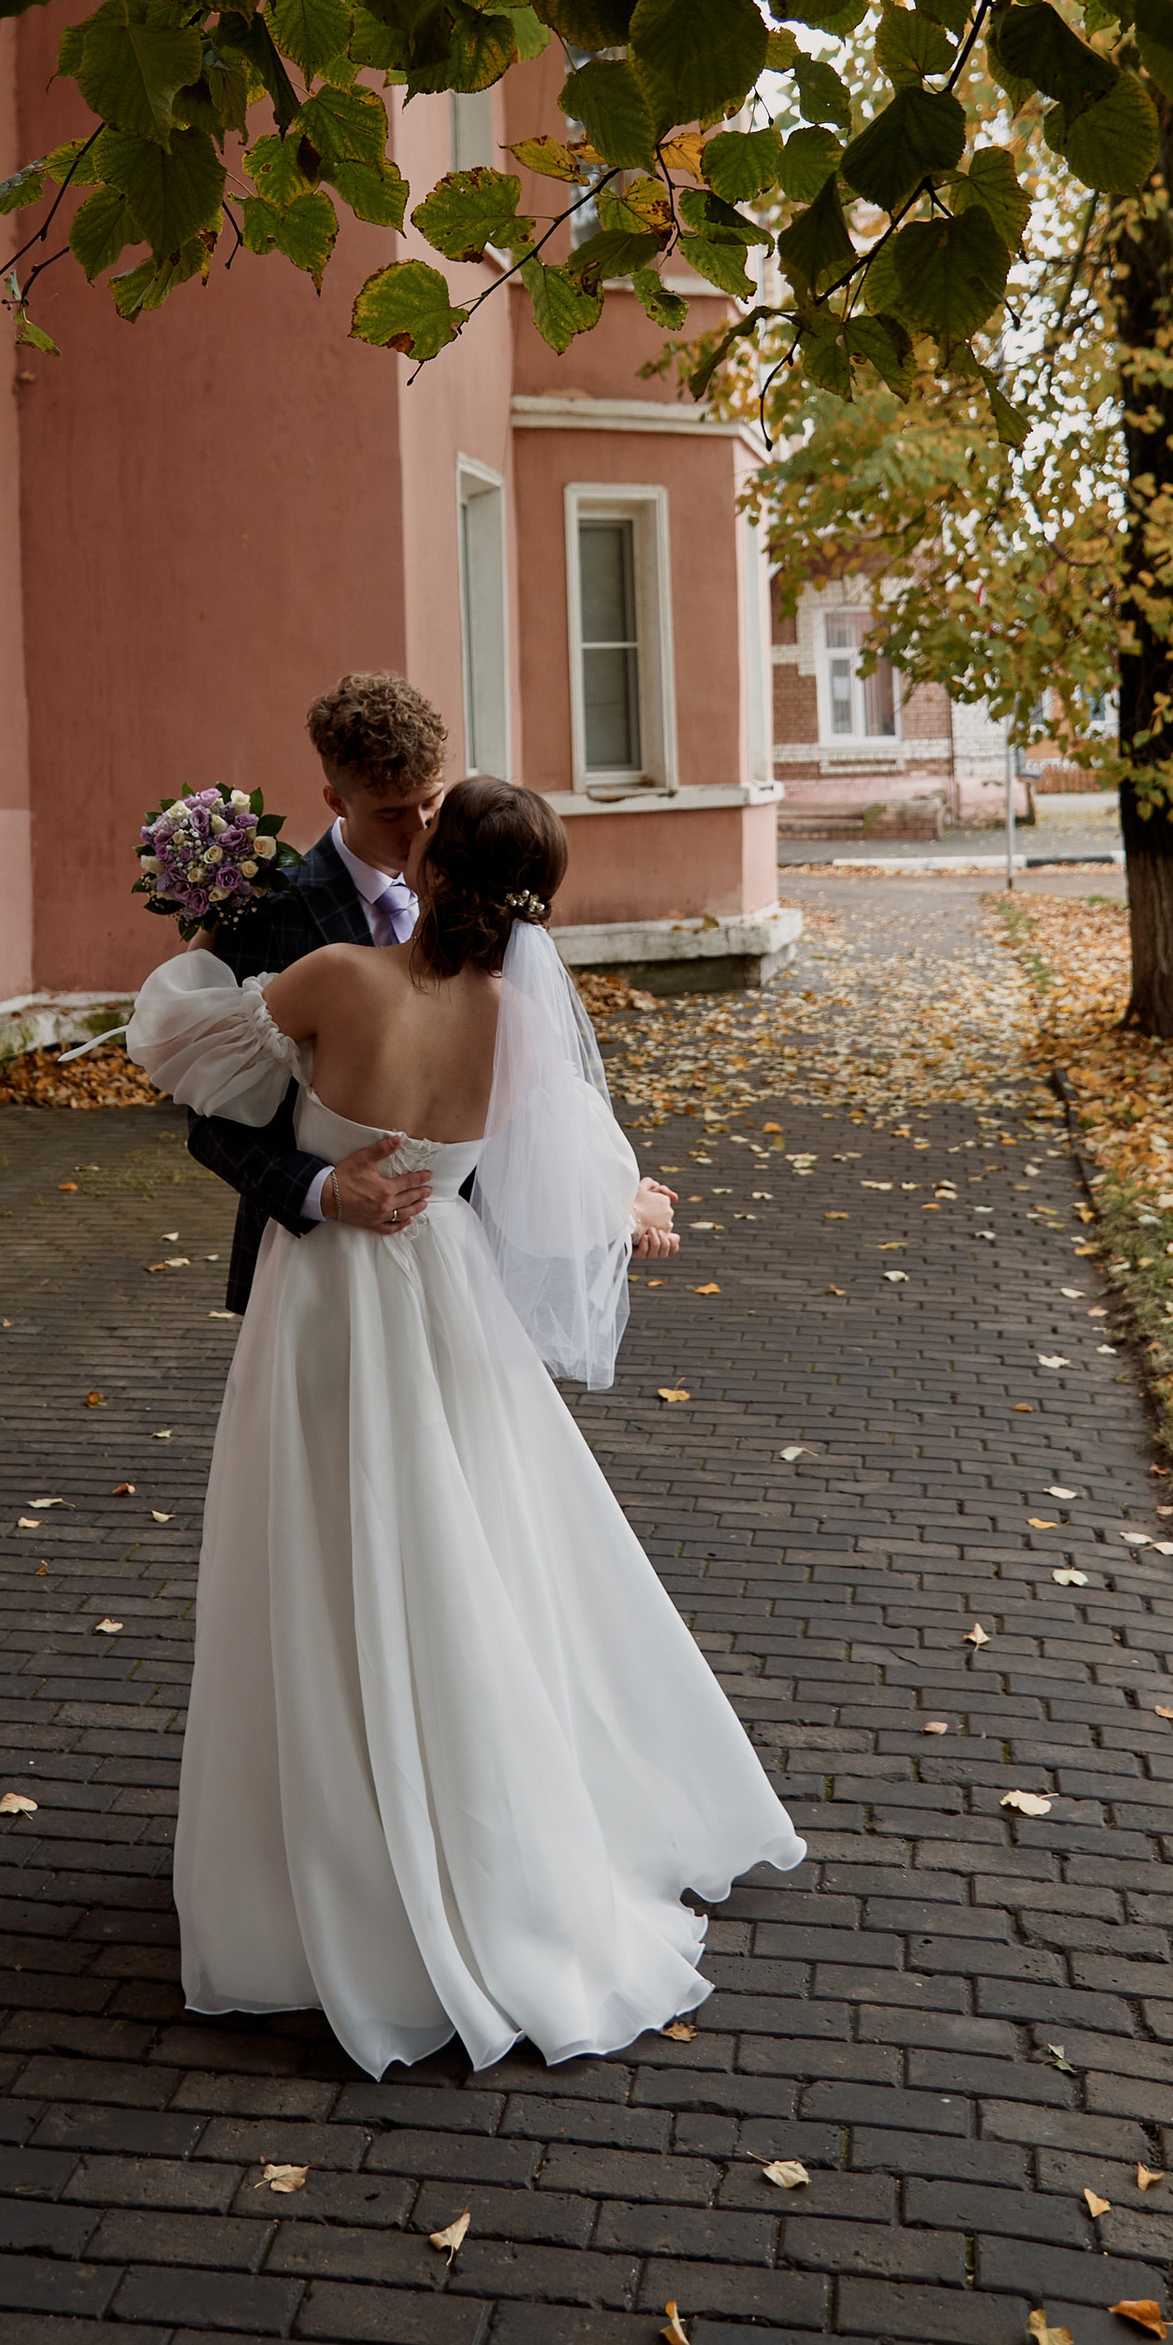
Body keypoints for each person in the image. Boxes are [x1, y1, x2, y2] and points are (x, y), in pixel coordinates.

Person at [125, 772, 806, 2081]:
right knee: (469, 1551)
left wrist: (220, 919)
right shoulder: (522, 1020)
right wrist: (628, 1200)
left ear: (433, 872)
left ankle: (335, 1861)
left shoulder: (334, 975)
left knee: (329, 1552)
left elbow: (179, 1050)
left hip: (329, 1297)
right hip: (447, 1290)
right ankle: (489, 1833)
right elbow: (553, 1184)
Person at [187, 671, 454, 1317]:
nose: (419, 831)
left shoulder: (461, 892)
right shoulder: (272, 912)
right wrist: (324, 1190)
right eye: (392, 814)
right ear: (335, 800)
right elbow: (210, 1118)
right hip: (314, 1268)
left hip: (450, 1261)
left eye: (431, 804)